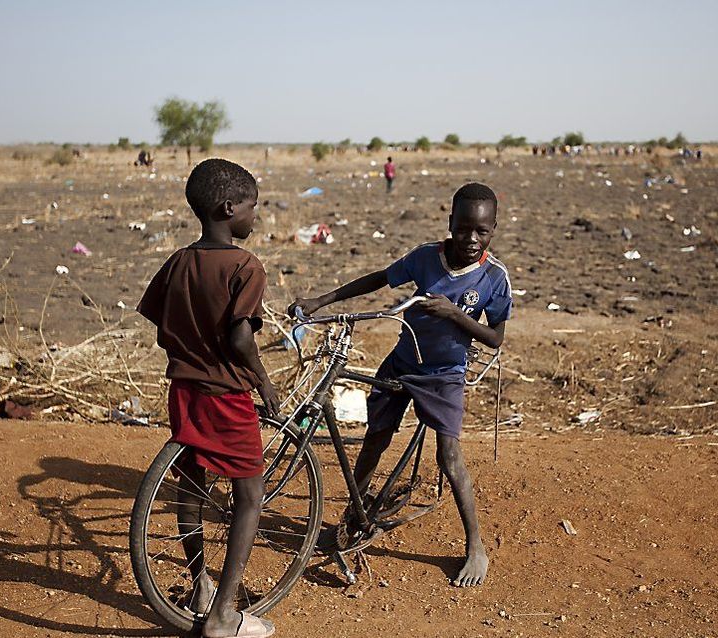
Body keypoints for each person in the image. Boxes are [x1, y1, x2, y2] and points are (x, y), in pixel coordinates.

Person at [289, 182, 511, 588]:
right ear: (450, 224)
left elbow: (495, 337)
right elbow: (380, 279)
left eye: (482, 231)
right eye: (463, 229)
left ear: (493, 230)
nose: (471, 239)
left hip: (444, 374)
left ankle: (475, 545)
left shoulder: (495, 278)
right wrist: (323, 301)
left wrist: (452, 315)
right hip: (403, 361)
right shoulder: (427, 257)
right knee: (376, 437)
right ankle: (352, 518)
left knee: (449, 456)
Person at [137, 158, 279, 638]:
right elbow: (241, 338)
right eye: (252, 206)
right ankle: (222, 616)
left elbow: (160, 327)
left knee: (192, 485)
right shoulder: (245, 266)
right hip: (226, 393)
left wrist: (189, 348)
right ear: (229, 207)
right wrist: (260, 377)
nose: (255, 216)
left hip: (183, 388)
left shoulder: (178, 261)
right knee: (250, 495)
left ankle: (199, 585)